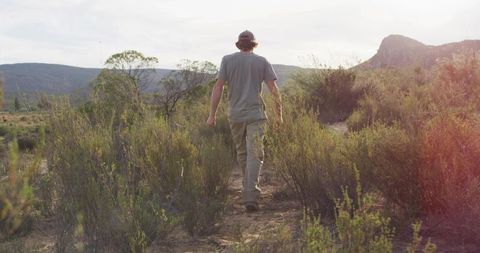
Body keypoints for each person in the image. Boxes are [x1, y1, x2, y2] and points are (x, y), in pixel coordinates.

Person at [206, 30, 283, 212]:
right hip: (256, 114)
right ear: (254, 45)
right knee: (255, 153)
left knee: (243, 153)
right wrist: (279, 114)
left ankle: (248, 190)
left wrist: (212, 114)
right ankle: (250, 193)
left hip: (236, 114)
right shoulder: (262, 61)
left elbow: (218, 87)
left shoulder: (227, 60)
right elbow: (274, 90)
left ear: (239, 45)